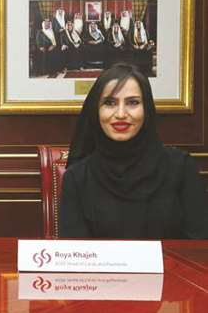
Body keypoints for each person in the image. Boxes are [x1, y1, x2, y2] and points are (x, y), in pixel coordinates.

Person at [60, 63, 208, 239]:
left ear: (147, 109)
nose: (121, 114)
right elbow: (77, 258)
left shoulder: (181, 169)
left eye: (133, 102)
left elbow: (198, 249)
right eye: (109, 103)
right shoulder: (77, 178)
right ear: (96, 111)